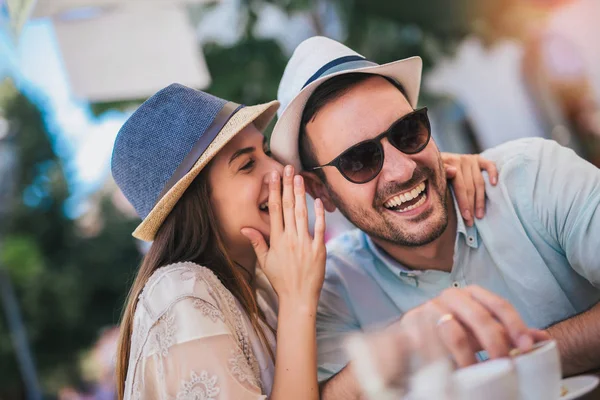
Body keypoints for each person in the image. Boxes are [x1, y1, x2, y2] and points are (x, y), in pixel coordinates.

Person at [111, 83, 526, 399]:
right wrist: (297, 300)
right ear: (197, 205)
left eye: (266, 153)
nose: (279, 172)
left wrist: (435, 172)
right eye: (247, 164)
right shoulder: (182, 292)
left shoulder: (258, 283)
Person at [270, 36, 600, 399]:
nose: (402, 169)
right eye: (359, 161)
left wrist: (517, 363)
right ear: (322, 192)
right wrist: (400, 342)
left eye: (408, 133)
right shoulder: (334, 290)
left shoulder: (532, 176)